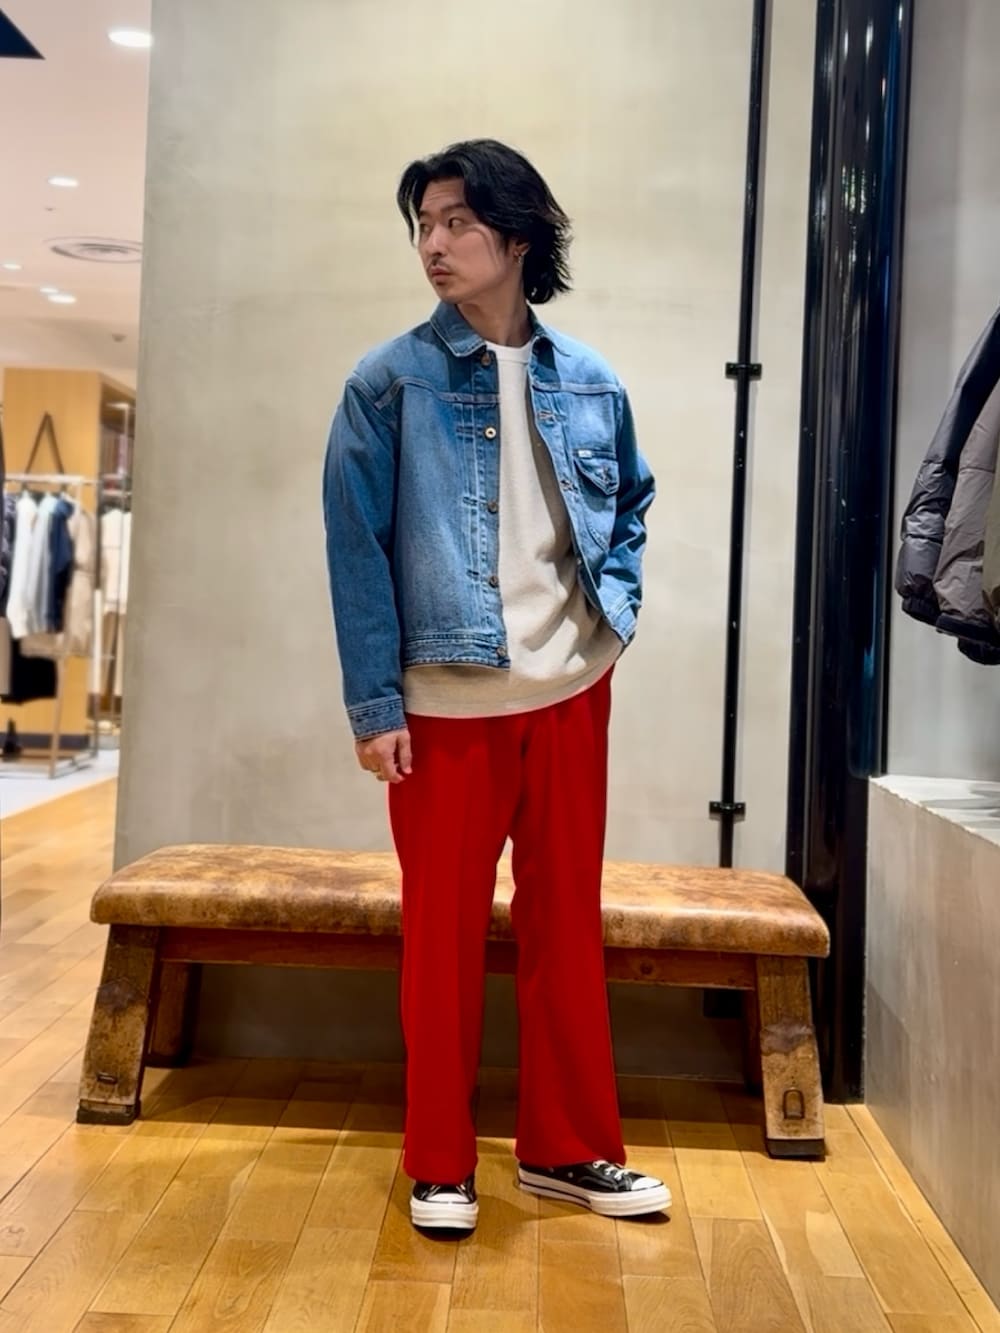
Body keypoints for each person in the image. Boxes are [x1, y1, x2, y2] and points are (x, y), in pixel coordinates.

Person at [323, 139, 668, 1233]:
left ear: (516, 237)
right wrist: (375, 706)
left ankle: (567, 1149)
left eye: (457, 222)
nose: (433, 243)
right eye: (423, 224)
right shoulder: (387, 382)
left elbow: (631, 507)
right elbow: (355, 551)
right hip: (444, 706)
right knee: (442, 940)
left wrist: (610, 623)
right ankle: (439, 1160)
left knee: (568, 928)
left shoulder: (591, 380)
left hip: (568, 693)